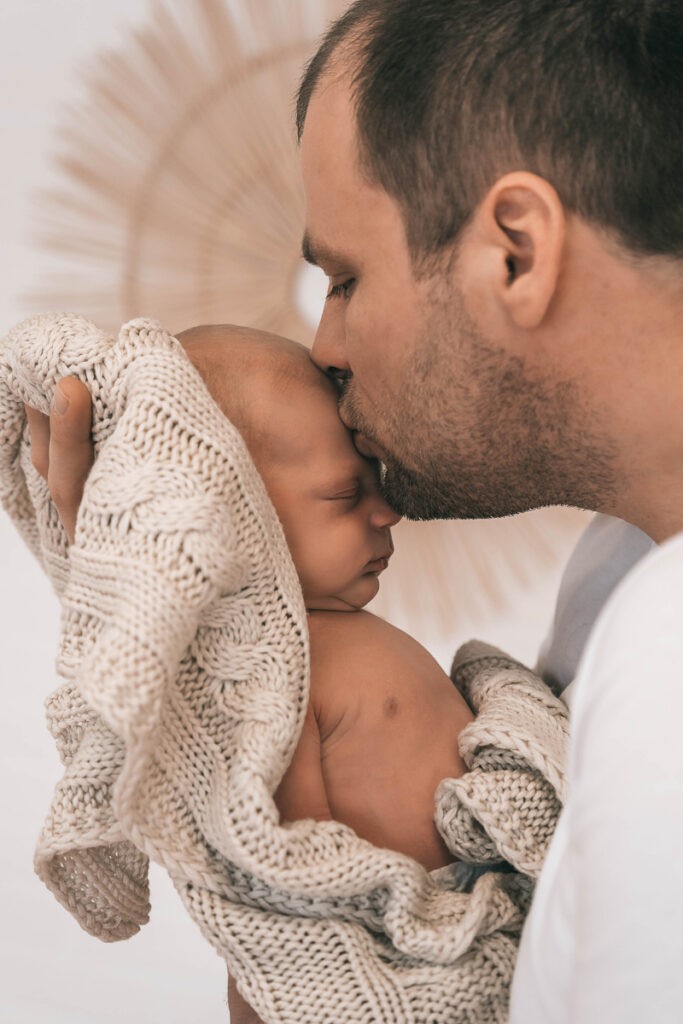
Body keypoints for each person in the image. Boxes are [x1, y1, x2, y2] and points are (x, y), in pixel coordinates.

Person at [26, 0, 683, 1021]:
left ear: (514, 251)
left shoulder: (665, 650)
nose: (324, 346)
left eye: (342, 277)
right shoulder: (616, 575)